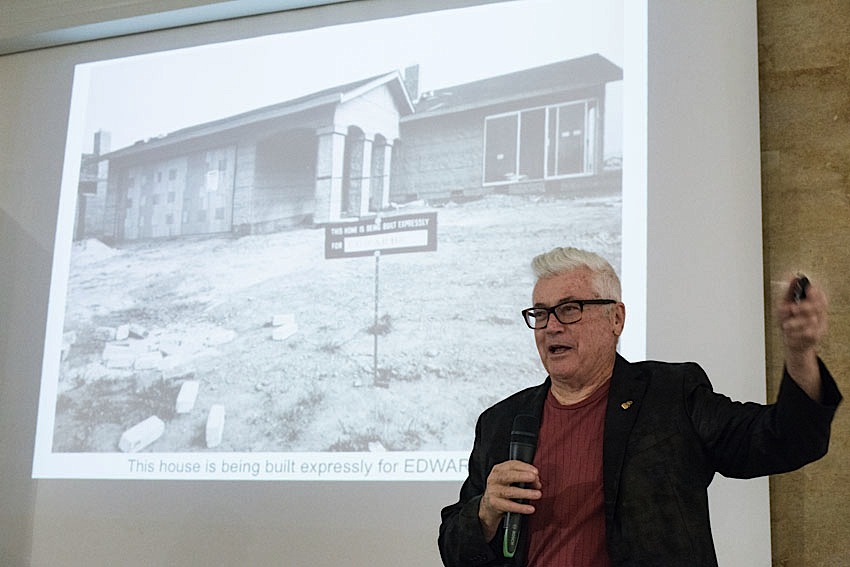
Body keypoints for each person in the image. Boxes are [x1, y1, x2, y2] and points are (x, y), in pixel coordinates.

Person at [438, 246, 841, 567]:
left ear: (616, 318)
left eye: (569, 309)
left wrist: (799, 353)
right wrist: (485, 513)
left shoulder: (670, 394)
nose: (551, 327)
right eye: (540, 314)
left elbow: (784, 439)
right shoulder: (502, 421)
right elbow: (454, 550)